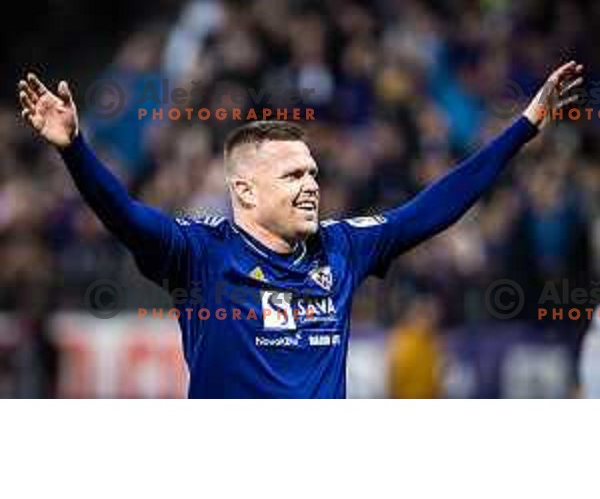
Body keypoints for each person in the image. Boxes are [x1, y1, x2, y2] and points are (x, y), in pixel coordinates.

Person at [17, 62, 583, 398]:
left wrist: (524, 127)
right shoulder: (199, 253)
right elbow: (123, 213)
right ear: (245, 191)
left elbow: (434, 207)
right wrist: (75, 150)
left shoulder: (341, 247)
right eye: (292, 174)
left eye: (313, 171)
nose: (312, 183)